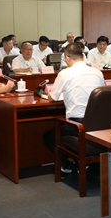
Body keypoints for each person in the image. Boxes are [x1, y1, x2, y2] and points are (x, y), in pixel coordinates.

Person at [42, 43, 104, 173]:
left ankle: (67, 164)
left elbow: (52, 98)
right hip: (97, 125)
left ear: (67, 57)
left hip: (76, 126)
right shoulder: (97, 73)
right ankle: (81, 163)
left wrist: (49, 93)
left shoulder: (65, 73)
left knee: (48, 136)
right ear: (83, 56)